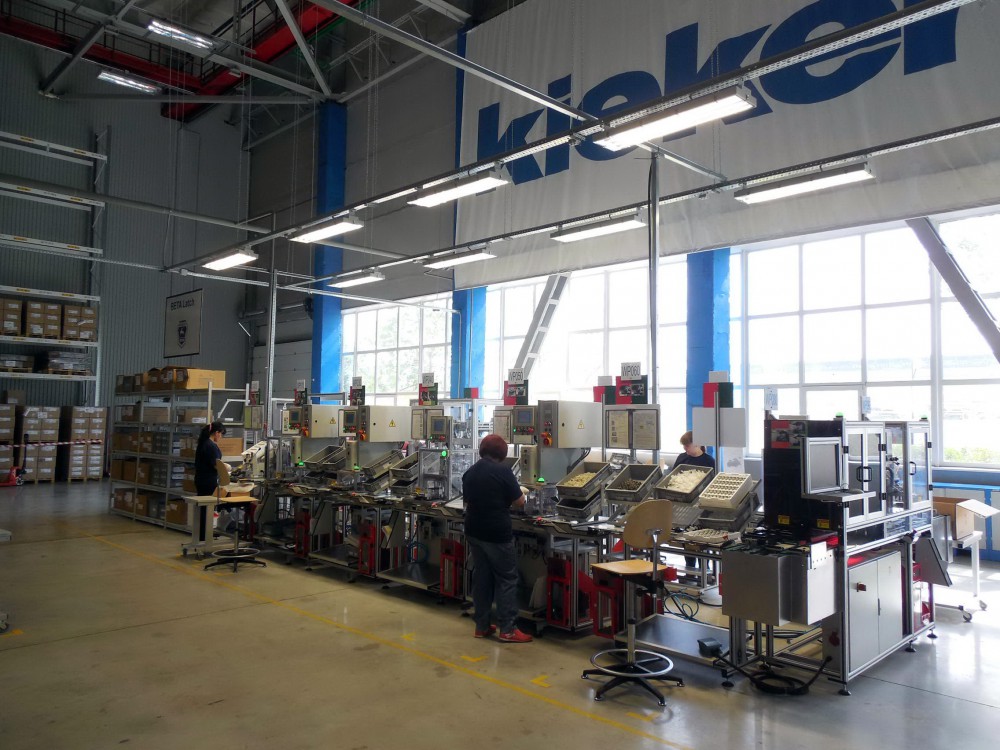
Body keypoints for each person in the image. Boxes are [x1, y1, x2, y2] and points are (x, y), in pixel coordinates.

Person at [462, 434, 532, 643]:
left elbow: (468, 500)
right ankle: (508, 629)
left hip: (474, 530)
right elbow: (520, 502)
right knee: (507, 579)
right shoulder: (503, 471)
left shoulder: (470, 472)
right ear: (502, 453)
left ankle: (482, 626)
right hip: (496, 533)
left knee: (482, 578)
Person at [195, 421, 226, 496]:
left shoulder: (203, 442)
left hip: (201, 479)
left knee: (203, 501)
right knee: (209, 501)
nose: (221, 436)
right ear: (216, 433)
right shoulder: (210, 446)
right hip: (208, 481)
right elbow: (216, 464)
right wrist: (226, 467)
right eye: (221, 434)